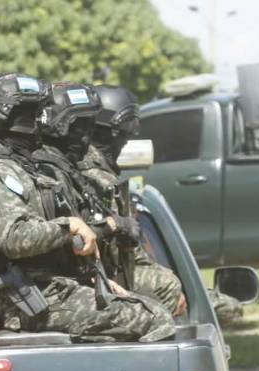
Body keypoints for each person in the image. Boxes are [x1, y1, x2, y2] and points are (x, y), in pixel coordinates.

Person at [0, 74, 174, 342]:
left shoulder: (31, 168)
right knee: (150, 318)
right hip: (19, 300)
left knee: (147, 309)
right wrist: (70, 226)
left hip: (51, 288)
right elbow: (14, 237)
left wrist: (97, 281)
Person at [78, 84, 187, 316]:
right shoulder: (95, 178)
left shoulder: (95, 172)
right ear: (112, 131)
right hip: (95, 279)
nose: (127, 142)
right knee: (168, 287)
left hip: (106, 273)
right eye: (124, 135)